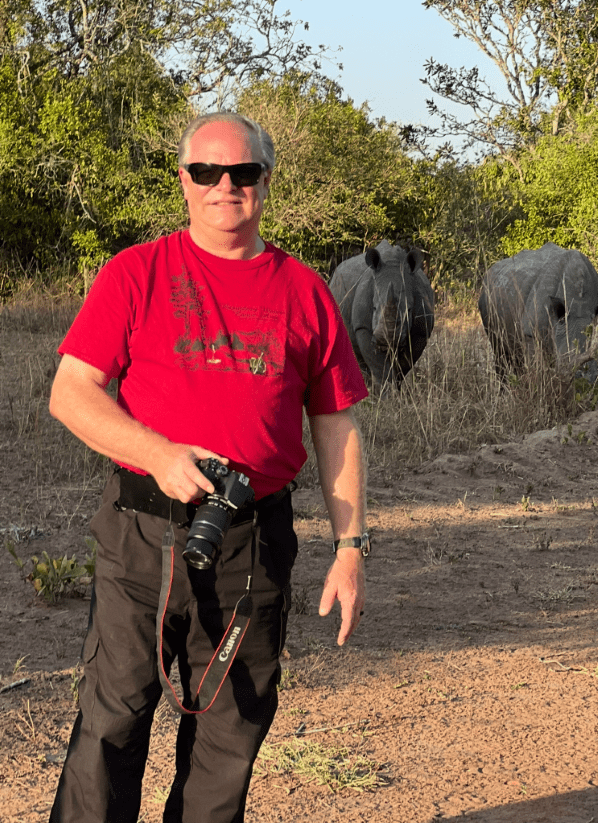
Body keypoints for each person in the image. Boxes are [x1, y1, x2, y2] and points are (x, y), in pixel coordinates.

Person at [48, 111, 369, 823]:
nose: (226, 186)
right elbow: (70, 392)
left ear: (265, 180)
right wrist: (157, 453)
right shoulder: (137, 272)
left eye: (243, 172)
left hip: (252, 537)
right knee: (112, 722)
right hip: (142, 529)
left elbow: (336, 424)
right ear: (184, 181)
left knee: (229, 735)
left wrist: (350, 547)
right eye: (207, 172)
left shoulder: (303, 289)